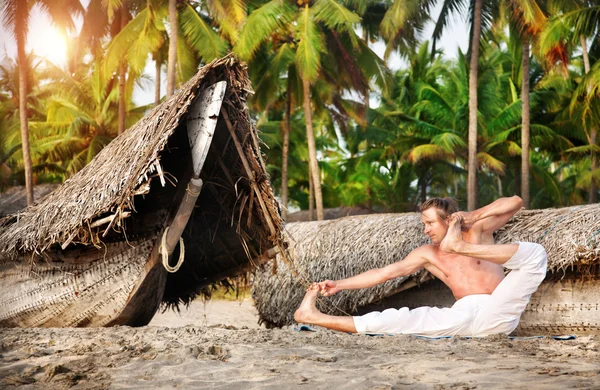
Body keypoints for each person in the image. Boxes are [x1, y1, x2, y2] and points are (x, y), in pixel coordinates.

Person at [293, 196, 547, 337]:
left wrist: (472, 216)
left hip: (497, 308)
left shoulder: (478, 230)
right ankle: (313, 317)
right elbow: (385, 273)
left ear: (448, 220)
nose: (425, 230)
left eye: (429, 223)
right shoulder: (427, 253)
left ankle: (458, 246)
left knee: (536, 255)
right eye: (423, 224)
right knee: (403, 321)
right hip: (467, 319)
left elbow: (515, 202)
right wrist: (339, 285)